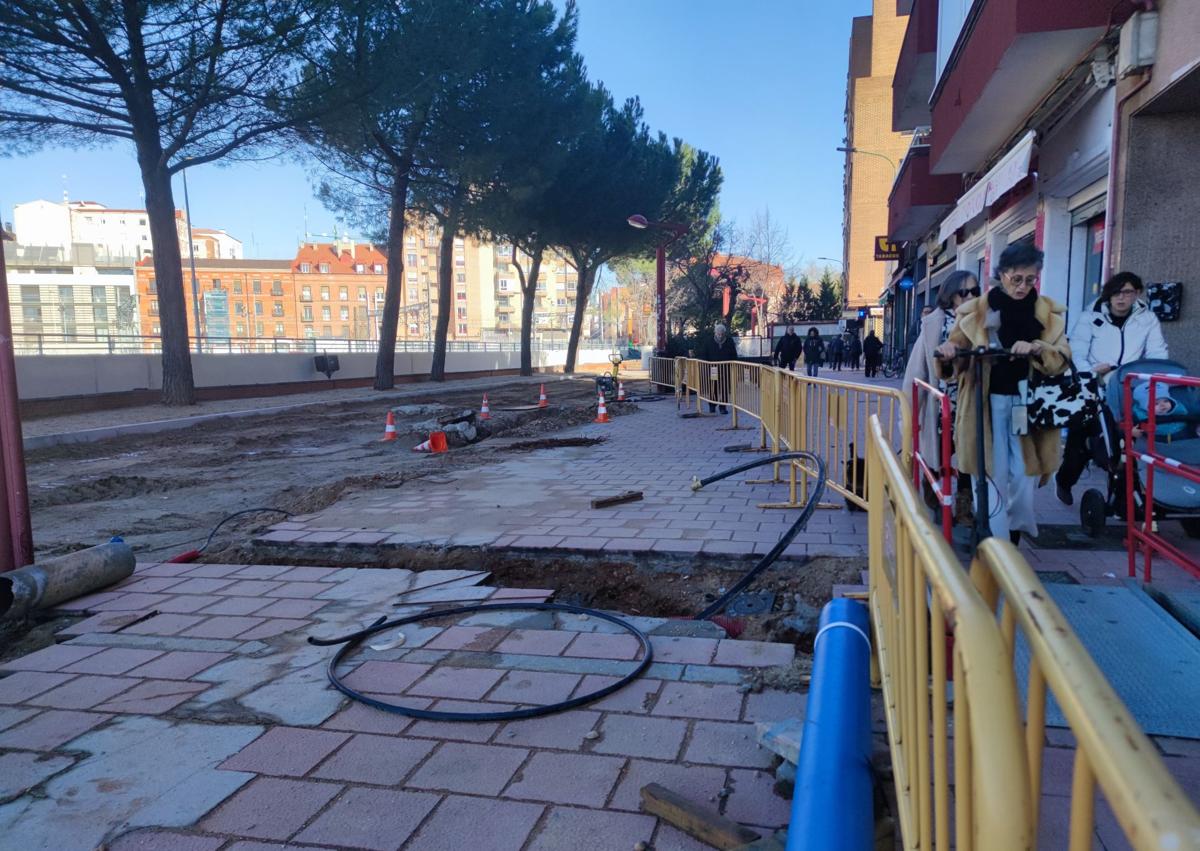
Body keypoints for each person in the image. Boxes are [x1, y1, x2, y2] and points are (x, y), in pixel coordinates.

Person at [936, 243, 1070, 545]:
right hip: (986, 404)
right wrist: (948, 353)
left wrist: (1038, 348)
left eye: (1030, 280)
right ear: (1002, 275)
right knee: (991, 474)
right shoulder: (977, 311)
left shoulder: (1047, 313)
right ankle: (998, 546)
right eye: (1016, 279)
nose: (1023, 286)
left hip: (1027, 404)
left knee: (1024, 474)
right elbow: (956, 350)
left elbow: (1062, 357)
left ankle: (1012, 530)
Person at [1055, 271, 1169, 504]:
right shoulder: (1090, 317)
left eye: (1127, 292)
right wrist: (1092, 374)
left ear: (1136, 294)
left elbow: (1158, 354)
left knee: (1123, 443)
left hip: (1129, 389)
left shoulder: (1147, 319)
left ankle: (1123, 496)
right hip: (1094, 387)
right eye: (1116, 292)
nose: (1121, 298)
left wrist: (1156, 387)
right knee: (1078, 446)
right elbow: (1076, 352)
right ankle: (1064, 481)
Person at [902, 271, 981, 517]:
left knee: (969, 456)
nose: (970, 297)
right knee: (940, 454)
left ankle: (965, 506)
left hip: (970, 402)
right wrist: (909, 416)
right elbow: (917, 372)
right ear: (950, 294)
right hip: (942, 403)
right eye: (963, 292)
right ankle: (933, 487)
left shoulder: (982, 321)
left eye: (975, 292)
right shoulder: (932, 324)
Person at [700, 322, 738, 414]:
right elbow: (704, 354)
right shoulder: (709, 341)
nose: (720, 336)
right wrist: (706, 364)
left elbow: (734, 354)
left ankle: (723, 407)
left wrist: (734, 364)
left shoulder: (729, 341)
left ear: (724, 333)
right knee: (714, 387)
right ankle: (712, 405)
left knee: (724, 388)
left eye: (721, 334)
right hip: (713, 368)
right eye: (718, 333)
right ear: (715, 333)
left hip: (725, 368)